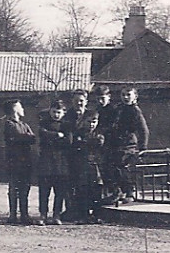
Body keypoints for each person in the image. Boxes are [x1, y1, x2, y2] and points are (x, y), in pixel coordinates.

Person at [64, 91, 104, 223]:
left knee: (94, 187)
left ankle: (94, 213)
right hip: (74, 156)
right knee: (76, 186)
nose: (78, 103)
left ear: (86, 101)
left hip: (92, 159)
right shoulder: (67, 115)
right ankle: (75, 211)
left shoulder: (91, 114)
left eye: (81, 101)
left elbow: (98, 140)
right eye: (76, 101)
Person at [106, 87, 150, 204]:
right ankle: (119, 192)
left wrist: (142, 147)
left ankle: (130, 192)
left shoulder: (135, 111)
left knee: (123, 166)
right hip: (117, 143)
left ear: (135, 96)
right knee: (113, 167)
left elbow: (143, 130)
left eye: (128, 95)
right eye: (123, 95)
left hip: (128, 144)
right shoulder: (119, 109)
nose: (125, 97)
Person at [1, 99, 38, 225]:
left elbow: (32, 138)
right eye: (20, 106)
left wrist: (25, 138)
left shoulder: (24, 125)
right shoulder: (9, 124)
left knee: (25, 188)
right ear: (15, 109)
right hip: (14, 161)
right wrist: (25, 137)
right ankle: (13, 215)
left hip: (25, 160)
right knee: (14, 188)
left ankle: (24, 214)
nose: (23, 109)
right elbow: (18, 137)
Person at [36, 100, 71, 224]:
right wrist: (57, 136)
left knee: (60, 191)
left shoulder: (66, 125)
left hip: (61, 162)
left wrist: (58, 138)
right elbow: (42, 134)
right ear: (50, 111)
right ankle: (43, 214)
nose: (56, 115)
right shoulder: (44, 123)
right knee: (44, 191)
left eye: (59, 112)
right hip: (46, 162)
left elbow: (68, 141)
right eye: (54, 112)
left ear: (63, 113)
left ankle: (56, 215)